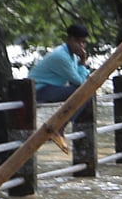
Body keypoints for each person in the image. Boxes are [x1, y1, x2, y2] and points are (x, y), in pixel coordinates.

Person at [30, 24, 93, 152]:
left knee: (85, 93)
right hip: (38, 91)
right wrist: (83, 61)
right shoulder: (61, 56)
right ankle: (59, 127)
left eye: (83, 42)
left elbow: (79, 80)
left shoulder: (72, 56)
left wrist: (81, 64)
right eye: (77, 41)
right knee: (83, 93)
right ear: (68, 39)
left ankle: (60, 127)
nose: (81, 46)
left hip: (48, 88)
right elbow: (80, 82)